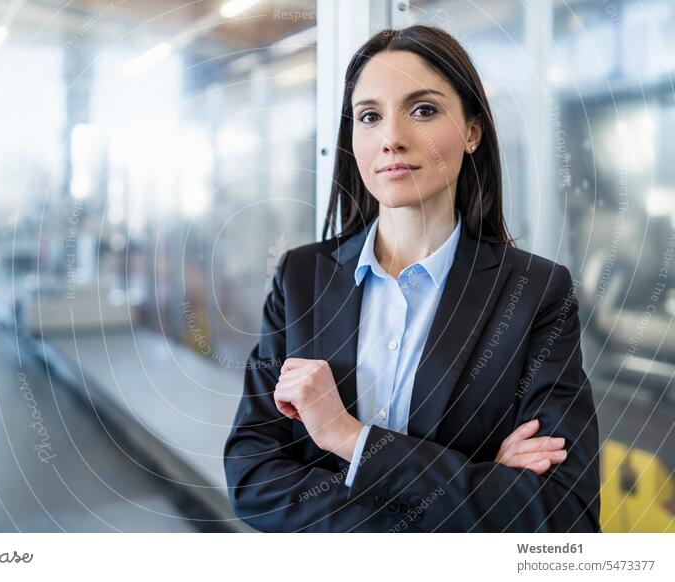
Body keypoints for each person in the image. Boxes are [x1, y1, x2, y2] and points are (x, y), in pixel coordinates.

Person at [223, 25, 601, 532]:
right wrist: (476, 483)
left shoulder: (534, 294)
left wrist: (348, 438)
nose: (392, 138)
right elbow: (253, 480)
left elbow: (564, 515)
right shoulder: (301, 279)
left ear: (472, 131)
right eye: (370, 116)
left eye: (423, 110)